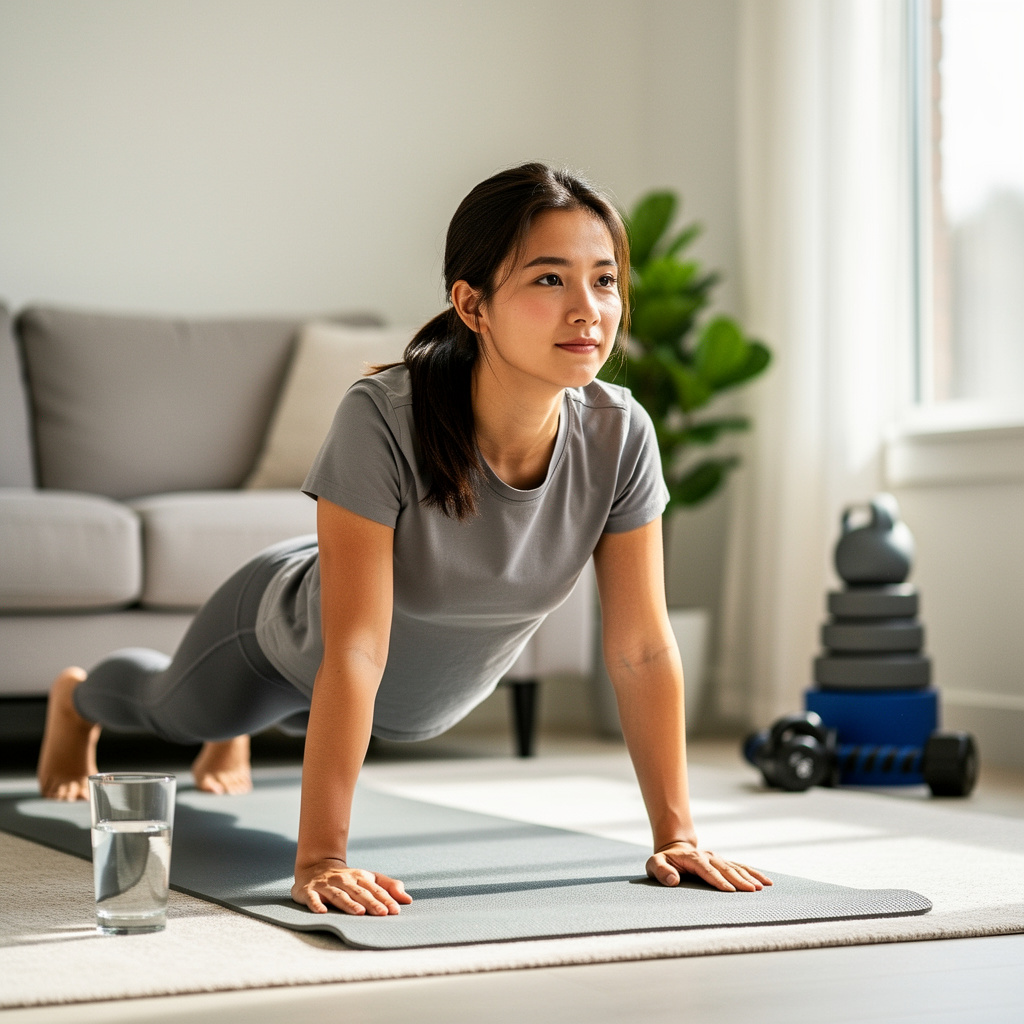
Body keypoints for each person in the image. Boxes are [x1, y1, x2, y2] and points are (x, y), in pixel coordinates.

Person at [37, 162, 772, 915]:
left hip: (406, 697)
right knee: (174, 711)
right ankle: (78, 702)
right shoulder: (384, 415)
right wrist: (322, 857)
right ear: (472, 303)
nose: (588, 310)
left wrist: (676, 835)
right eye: (550, 281)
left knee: (298, 712)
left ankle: (239, 734)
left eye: (605, 281)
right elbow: (353, 648)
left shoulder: (621, 434)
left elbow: (642, 647)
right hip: (284, 640)